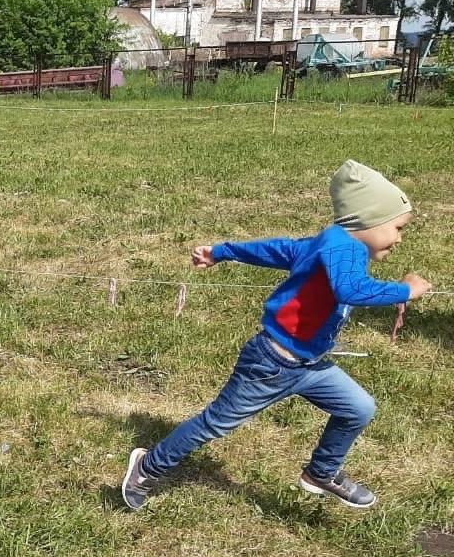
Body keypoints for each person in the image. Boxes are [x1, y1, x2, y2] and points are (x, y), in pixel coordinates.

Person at [122, 161, 432, 512]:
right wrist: (406, 291)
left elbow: (281, 249)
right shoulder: (342, 248)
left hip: (309, 365)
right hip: (270, 365)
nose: (400, 238)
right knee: (214, 425)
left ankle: (322, 473)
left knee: (358, 408)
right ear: (369, 220)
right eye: (397, 228)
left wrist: (222, 252)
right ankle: (147, 467)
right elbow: (351, 290)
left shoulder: (333, 244)